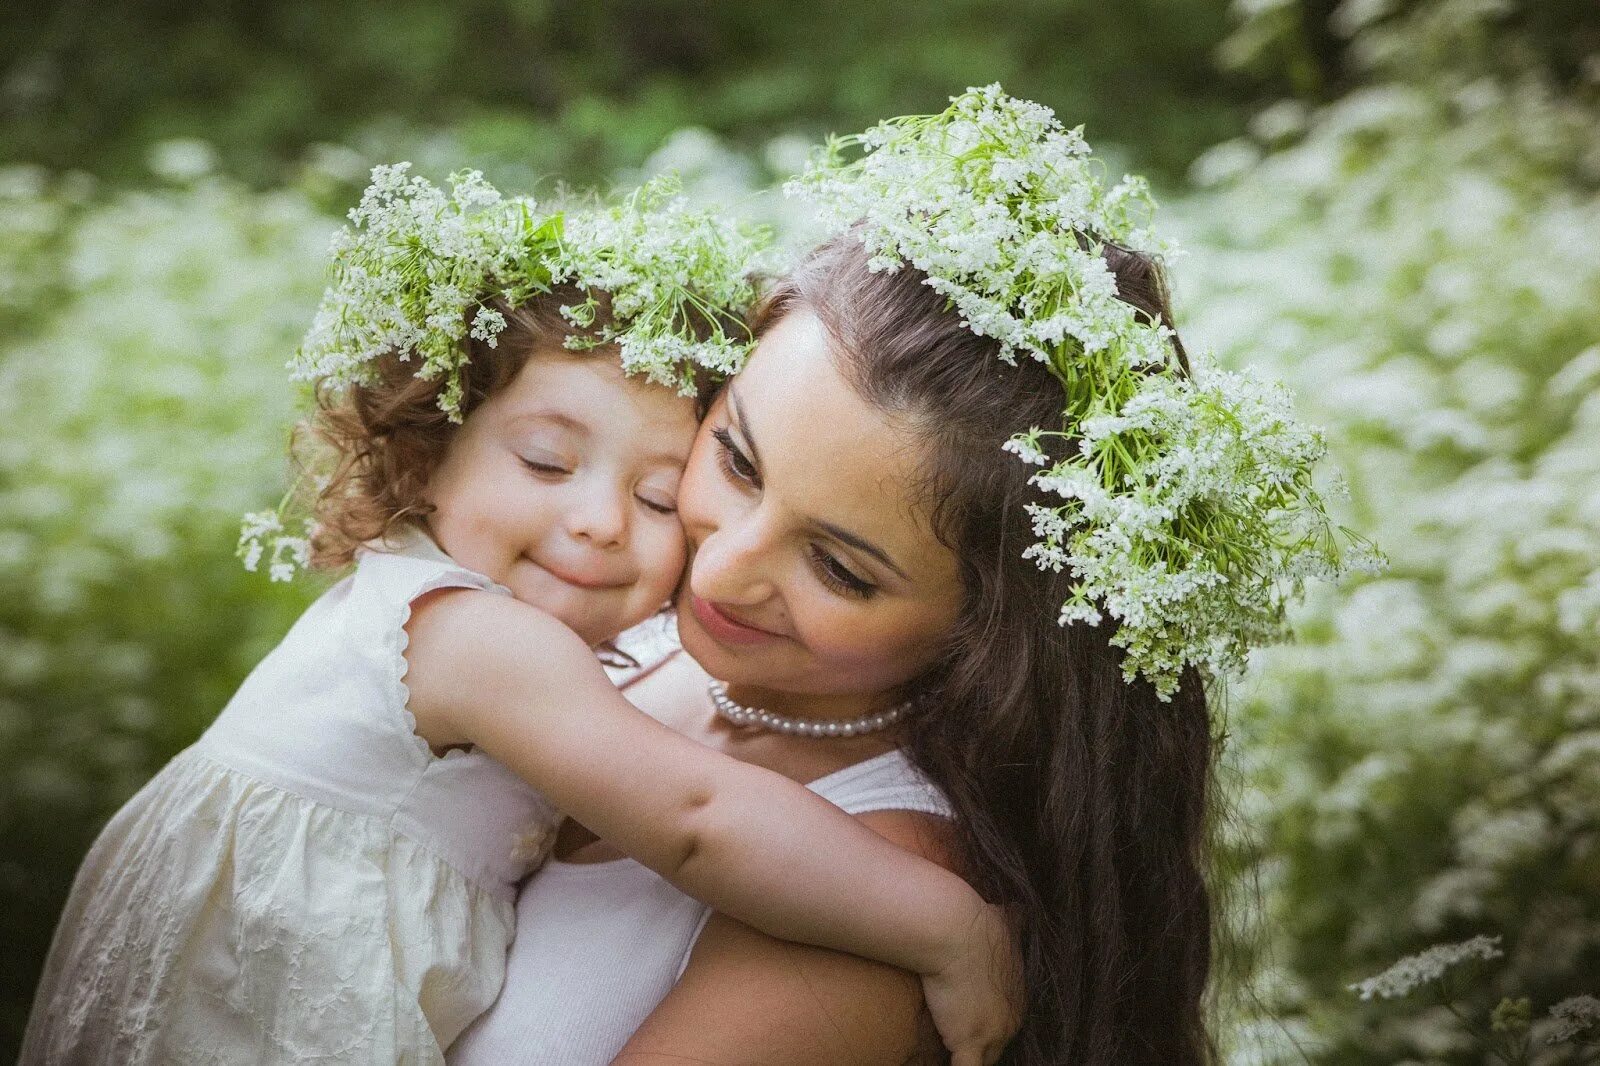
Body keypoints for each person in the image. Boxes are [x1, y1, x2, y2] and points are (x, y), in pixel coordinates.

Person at [18, 172, 1020, 1066]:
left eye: (658, 496)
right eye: (545, 462)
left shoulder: (500, 623)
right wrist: (946, 929)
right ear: (425, 456)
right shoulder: (475, 636)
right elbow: (698, 820)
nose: (595, 522)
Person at [454, 87, 1367, 1066]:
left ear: (989, 632)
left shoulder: (881, 899)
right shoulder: (614, 612)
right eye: (738, 462)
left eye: (839, 567)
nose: (719, 565)